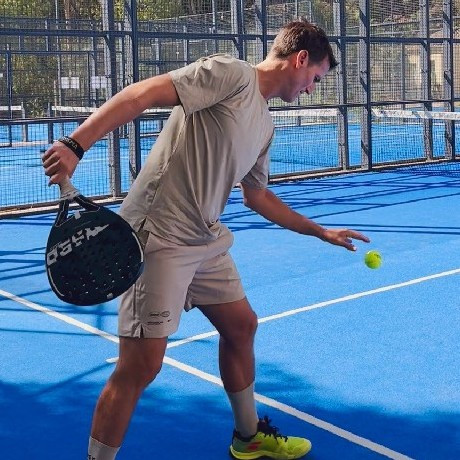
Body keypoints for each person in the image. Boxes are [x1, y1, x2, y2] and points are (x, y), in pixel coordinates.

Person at [43, 18, 370, 460]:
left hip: (205, 237)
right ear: (299, 59)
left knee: (242, 326)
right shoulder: (231, 75)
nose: (313, 89)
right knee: (141, 366)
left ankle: (248, 437)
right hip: (158, 235)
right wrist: (76, 144)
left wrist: (320, 231)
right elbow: (143, 93)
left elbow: (257, 197)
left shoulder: (264, 125)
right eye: (316, 77)